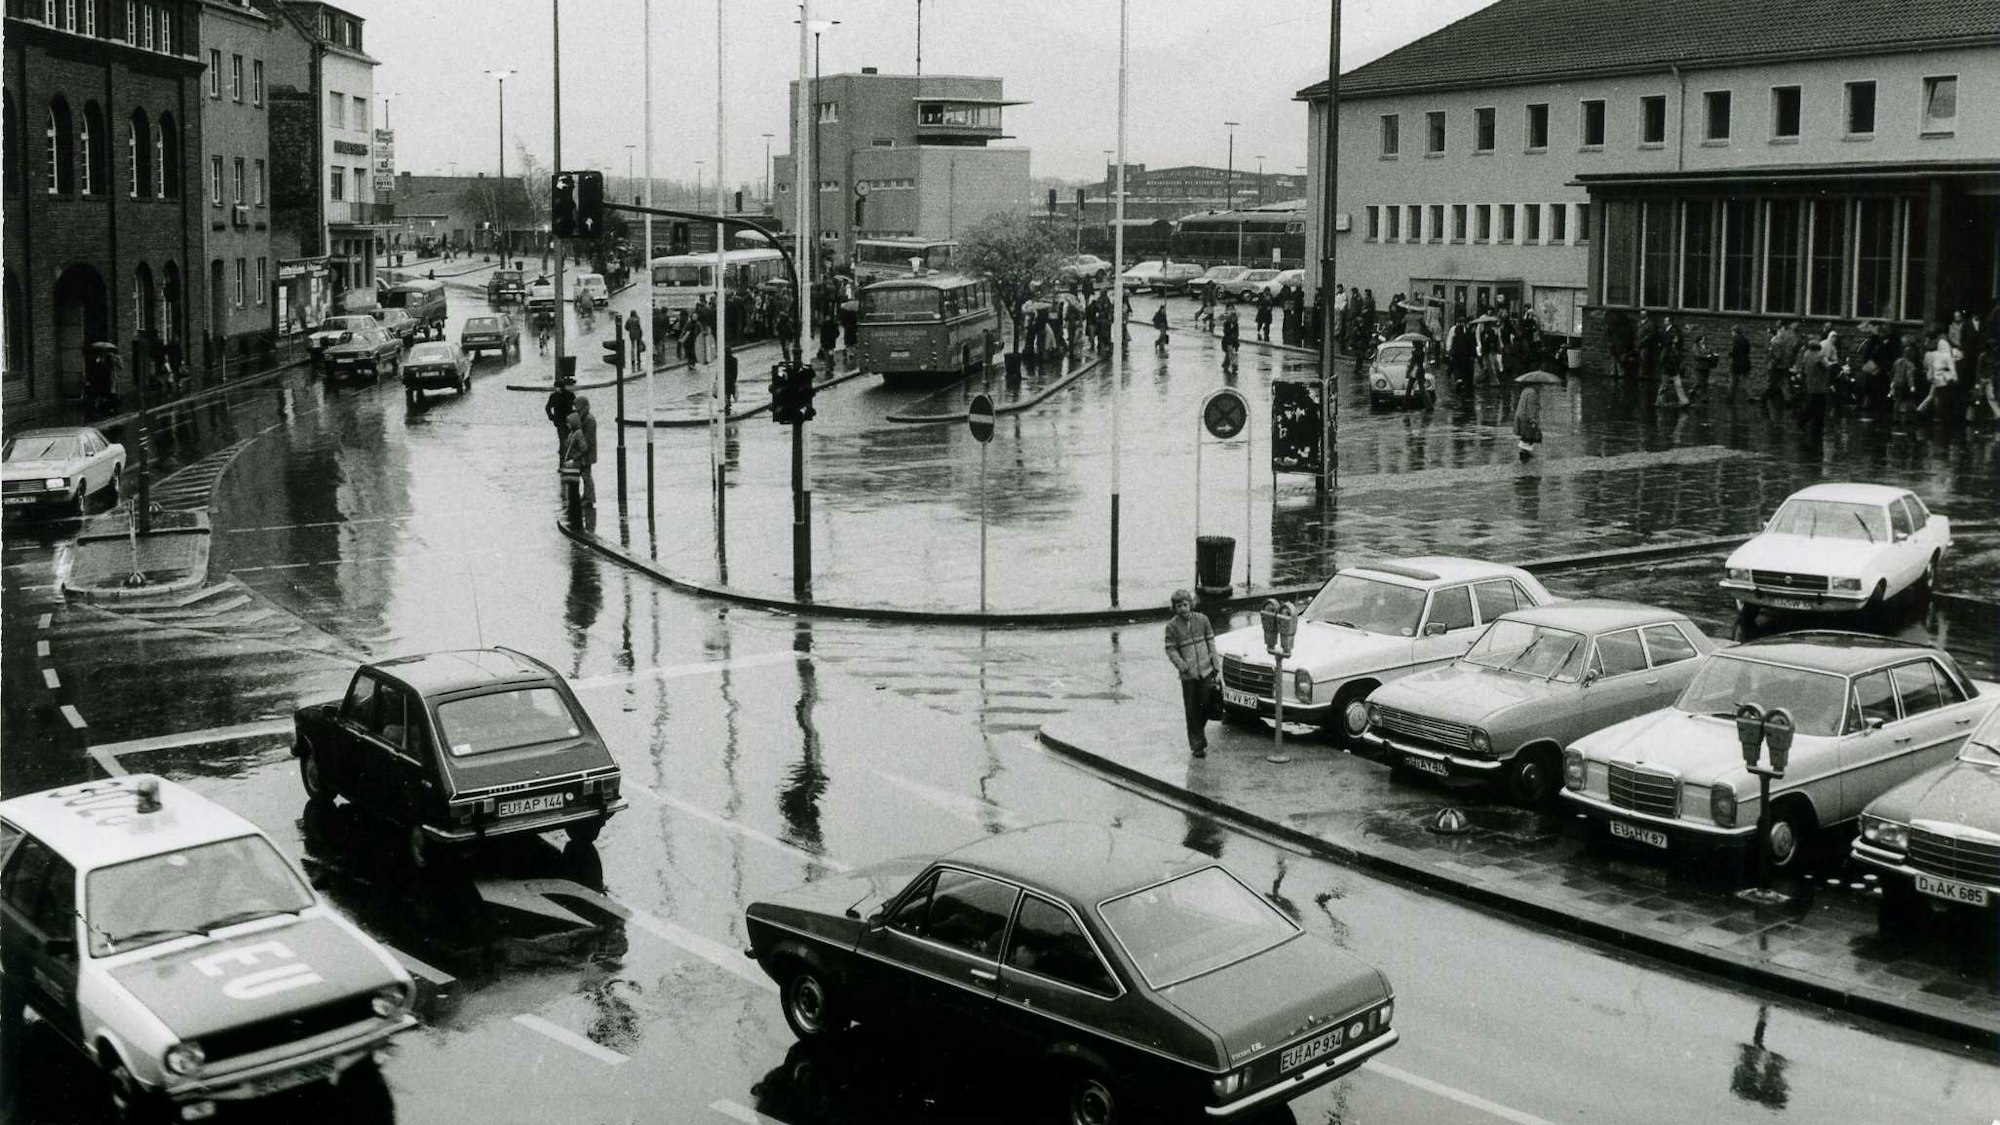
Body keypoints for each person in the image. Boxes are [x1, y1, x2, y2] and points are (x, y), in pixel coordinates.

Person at [1163, 589, 1219, 758]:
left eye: (1185, 605)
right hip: (1188, 674)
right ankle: (1197, 745)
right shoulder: (1172, 627)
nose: (1183, 609)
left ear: (1191, 604)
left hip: (1206, 670)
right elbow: (1170, 648)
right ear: (1174, 608)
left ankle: (1198, 730)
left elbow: (1211, 641)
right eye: (1178, 606)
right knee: (1191, 708)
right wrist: (1182, 665)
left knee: (1207, 702)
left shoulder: (1202, 620)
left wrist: (1215, 664)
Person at [564, 396, 598, 507]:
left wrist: (578, 455)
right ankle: (587, 496)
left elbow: (587, 441)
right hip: (586, 453)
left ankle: (589, 498)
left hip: (587, 454)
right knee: (585, 475)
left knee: (586, 476)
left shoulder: (588, 420)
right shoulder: (585, 418)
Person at [544, 377, 577, 461]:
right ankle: (565, 453)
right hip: (562, 420)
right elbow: (548, 408)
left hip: (566, 420)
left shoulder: (564, 395)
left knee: (565, 437)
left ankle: (564, 454)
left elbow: (548, 408)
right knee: (563, 437)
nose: (556, 389)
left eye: (557, 387)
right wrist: (551, 417)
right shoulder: (566, 395)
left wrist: (551, 417)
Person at [1514, 381, 1544, 462]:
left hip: (1521, 416)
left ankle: (1525, 452)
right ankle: (1524, 454)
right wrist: (1532, 420)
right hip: (1526, 418)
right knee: (1529, 435)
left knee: (1526, 436)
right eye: (1540, 385)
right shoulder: (1533, 393)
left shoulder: (1526, 390)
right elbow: (1531, 407)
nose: (1541, 387)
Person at [1727, 326, 1751, 398]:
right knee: (1746, 380)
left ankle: (1730, 396)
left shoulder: (1735, 340)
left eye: (1732, 332)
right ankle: (1750, 395)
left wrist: (1730, 353)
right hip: (1745, 362)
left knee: (1733, 380)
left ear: (1735, 332)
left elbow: (1734, 352)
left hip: (1736, 363)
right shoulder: (1746, 340)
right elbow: (1748, 350)